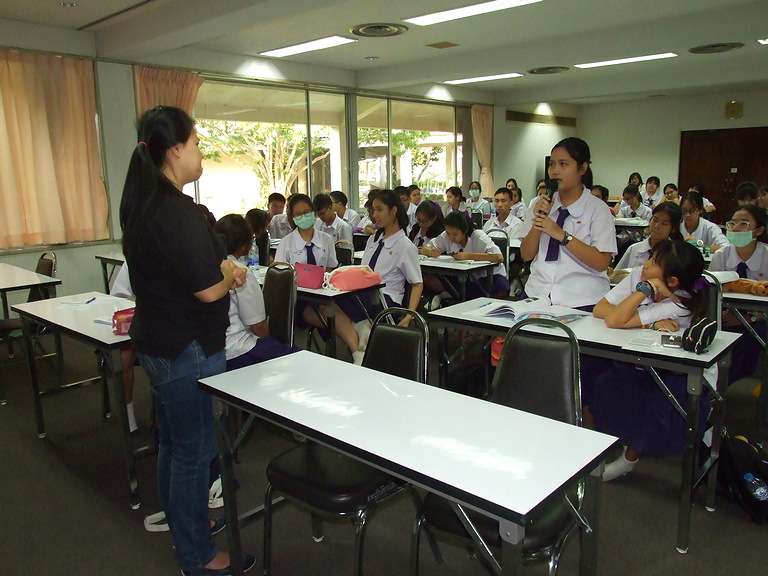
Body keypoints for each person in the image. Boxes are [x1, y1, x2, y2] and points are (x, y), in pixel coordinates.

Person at [119, 105, 252, 576]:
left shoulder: (143, 202)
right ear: (175, 150)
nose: (200, 152)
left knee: (174, 447)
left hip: (159, 342)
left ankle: (186, 531)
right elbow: (208, 289)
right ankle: (197, 555)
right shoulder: (176, 210)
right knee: (194, 453)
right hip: (187, 347)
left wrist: (220, 271)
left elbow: (183, 271)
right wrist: (232, 276)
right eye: (196, 143)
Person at [589, 241, 709, 481]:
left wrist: (643, 291)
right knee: (603, 382)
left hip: (671, 371)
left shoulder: (679, 303)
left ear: (671, 281)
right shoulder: (641, 275)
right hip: (638, 359)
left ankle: (628, 459)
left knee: (651, 401)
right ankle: (602, 447)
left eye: (653, 263)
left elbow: (614, 320)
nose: (645, 264)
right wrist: (648, 323)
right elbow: (600, 310)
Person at [519, 138, 616, 310]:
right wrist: (539, 220)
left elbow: (601, 262)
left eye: (563, 164)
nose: (555, 171)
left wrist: (561, 235)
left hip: (581, 299)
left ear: (582, 168)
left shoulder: (598, 209)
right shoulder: (539, 204)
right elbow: (526, 254)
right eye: (552, 164)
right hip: (537, 293)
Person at [275, 193, 362, 363]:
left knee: (336, 307)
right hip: (298, 301)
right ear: (292, 217)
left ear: (313, 212)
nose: (303, 216)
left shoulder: (326, 239)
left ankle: (358, 353)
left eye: (307, 212)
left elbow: (330, 268)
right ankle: (358, 352)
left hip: (324, 295)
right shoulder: (286, 242)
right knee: (327, 312)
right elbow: (280, 276)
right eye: (298, 214)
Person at [214, 214, 299, 369]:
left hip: (213, 351)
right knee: (297, 357)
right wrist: (269, 346)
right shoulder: (240, 272)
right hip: (239, 349)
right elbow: (258, 326)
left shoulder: (208, 267)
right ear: (244, 245)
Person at [709, 204, 768, 384]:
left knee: (748, 337)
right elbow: (709, 292)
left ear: (758, 231)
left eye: (743, 224)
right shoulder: (721, 256)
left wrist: (750, 318)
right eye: (732, 223)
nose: (735, 228)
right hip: (724, 316)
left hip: (759, 319)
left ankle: (730, 383)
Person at [358, 189, 423, 326]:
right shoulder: (373, 240)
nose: (375, 215)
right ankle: (362, 335)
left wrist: (408, 317)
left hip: (385, 300)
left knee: (336, 306)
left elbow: (417, 284)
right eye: (374, 210)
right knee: (329, 305)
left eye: (379, 210)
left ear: (393, 210)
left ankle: (363, 334)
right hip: (364, 294)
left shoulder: (405, 246)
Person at [423, 211, 510, 300]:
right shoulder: (446, 236)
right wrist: (431, 252)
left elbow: (499, 257)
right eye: (448, 233)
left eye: (455, 234)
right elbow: (424, 248)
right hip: (465, 277)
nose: (451, 237)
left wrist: (468, 256)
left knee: (501, 288)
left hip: (487, 276)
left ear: (465, 230)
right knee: (430, 279)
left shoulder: (478, 236)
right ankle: (450, 298)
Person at [615, 202, 683, 269]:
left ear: (673, 228)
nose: (656, 226)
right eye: (655, 220)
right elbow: (618, 273)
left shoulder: (675, 255)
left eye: (664, 223)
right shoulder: (634, 249)